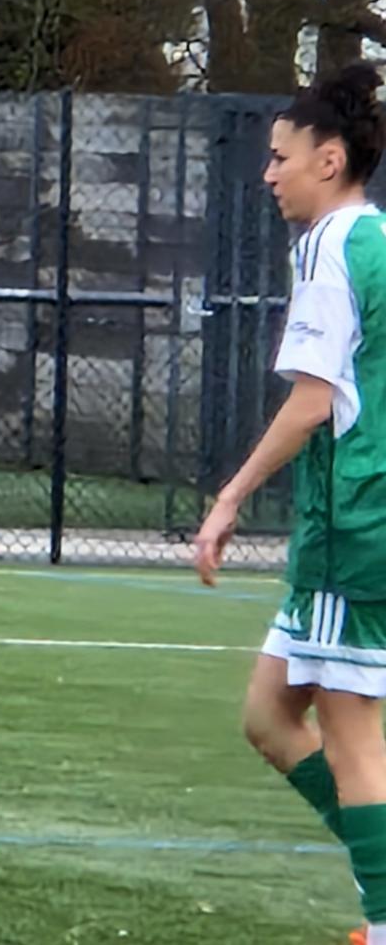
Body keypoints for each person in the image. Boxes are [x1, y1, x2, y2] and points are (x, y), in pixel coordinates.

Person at [194, 62, 386, 945]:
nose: (268, 174)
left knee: (352, 739)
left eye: (281, 157)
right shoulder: (373, 240)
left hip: (355, 523)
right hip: (344, 525)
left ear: (329, 160)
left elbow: (313, 403)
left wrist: (229, 497)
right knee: (270, 717)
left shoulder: (332, 249)